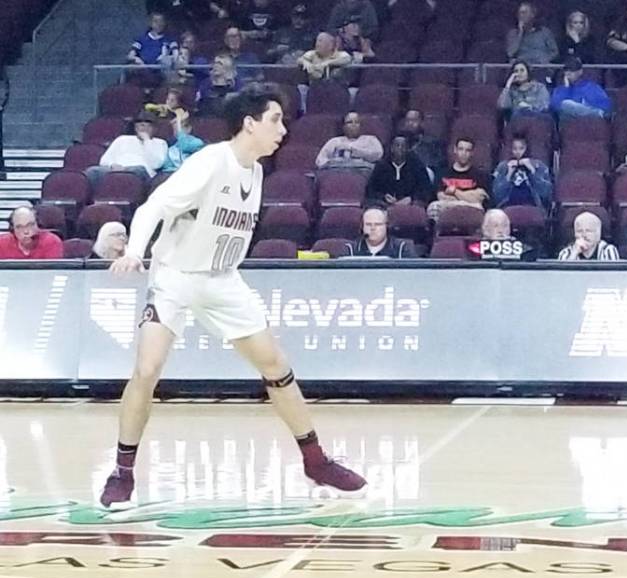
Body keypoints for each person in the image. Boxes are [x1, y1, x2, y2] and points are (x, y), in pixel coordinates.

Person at [97, 87, 366, 510]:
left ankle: (316, 461)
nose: (283, 128)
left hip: (222, 281)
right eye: (275, 119)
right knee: (147, 368)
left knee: (276, 367)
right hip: (176, 277)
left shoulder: (255, 171)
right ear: (250, 123)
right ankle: (122, 472)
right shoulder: (209, 162)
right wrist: (134, 252)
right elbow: (154, 206)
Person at [84, 111, 168, 186]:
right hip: (115, 170)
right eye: (140, 125)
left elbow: (156, 164)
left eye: (148, 125)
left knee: (138, 170)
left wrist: (147, 140)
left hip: (139, 172)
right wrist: (113, 165)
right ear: (135, 127)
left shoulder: (160, 143)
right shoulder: (122, 139)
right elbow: (104, 160)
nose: (143, 128)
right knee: (92, 171)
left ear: (155, 129)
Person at [427, 138, 491, 221]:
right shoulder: (442, 173)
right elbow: (440, 196)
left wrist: (454, 192)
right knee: (434, 206)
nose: (463, 153)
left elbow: (479, 199)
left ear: (472, 153)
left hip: (471, 214)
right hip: (446, 212)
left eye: (467, 150)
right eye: (461, 149)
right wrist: (469, 197)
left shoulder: (481, 176)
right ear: (455, 150)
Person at [365, 134, 433, 208]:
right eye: (397, 145)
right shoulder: (381, 166)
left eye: (403, 146)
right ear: (392, 148)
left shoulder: (417, 166)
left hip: (410, 205)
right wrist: (384, 197)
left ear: (407, 149)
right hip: (384, 205)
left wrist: (411, 198)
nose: (400, 148)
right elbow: (371, 189)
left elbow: (426, 189)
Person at [491, 134, 553, 209]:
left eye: (521, 148)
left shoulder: (539, 165)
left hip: (533, 204)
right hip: (507, 204)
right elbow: (496, 194)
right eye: (515, 149)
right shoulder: (503, 166)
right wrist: (508, 175)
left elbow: (546, 192)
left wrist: (532, 171)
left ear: (527, 148)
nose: (518, 152)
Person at [314, 111, 383, 175]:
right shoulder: (334, 141)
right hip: (337, 173)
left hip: (362, 172)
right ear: (343, 126)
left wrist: (354, 151)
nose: (354, 125)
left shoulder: (371, 139)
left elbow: (378, 154)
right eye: (350, 122)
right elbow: (320, 161)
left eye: (357, 122)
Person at [344, 207, 416, 257]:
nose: (373, 228)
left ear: (386, 226)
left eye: (378, 224)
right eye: (368, 224)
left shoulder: (402, 248)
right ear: (362, 227)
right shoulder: (350, 250)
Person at [0, 205, 64, 260]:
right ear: (12, 229)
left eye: (30, 225)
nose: (26, 231)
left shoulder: (52, 242)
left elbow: (52, 272)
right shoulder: (1, 244)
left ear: (38, 224)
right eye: (19, 227)